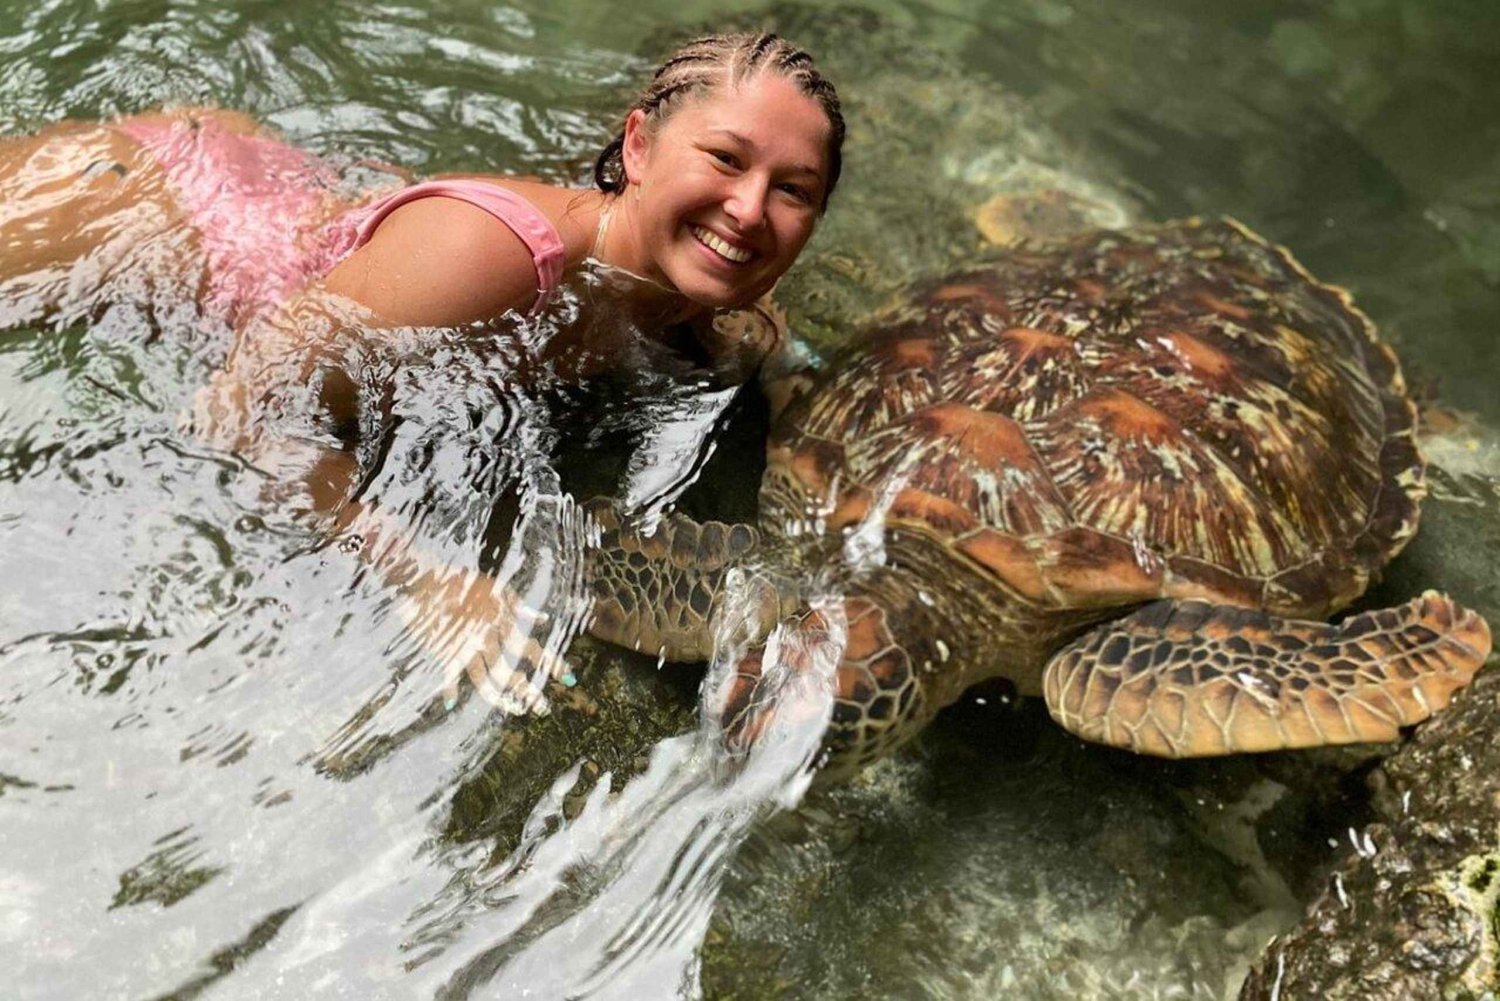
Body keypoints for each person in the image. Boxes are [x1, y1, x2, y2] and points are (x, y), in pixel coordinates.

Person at [0, 32, 846, 710]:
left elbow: (788, 360)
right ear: (637, 145)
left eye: (793, 190)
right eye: (726, 160)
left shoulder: (715, 307)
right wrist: (430, 580)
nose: (749, 209)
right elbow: (235, 410)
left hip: (285, 198)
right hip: (132, 209)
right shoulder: (494, 253)